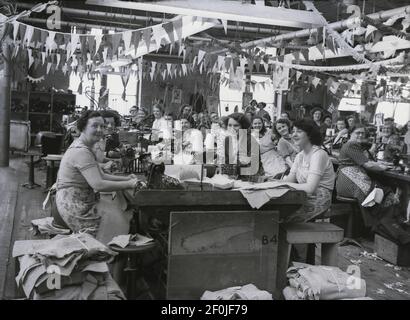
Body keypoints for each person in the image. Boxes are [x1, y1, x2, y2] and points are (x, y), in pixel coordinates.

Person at [55, 111, 140, 237]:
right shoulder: (81, 152)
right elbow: (98, 184)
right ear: (83, 127)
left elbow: (102, 175)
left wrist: (126, 179)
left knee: (120, 213)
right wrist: (129, 184)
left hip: (79, 202)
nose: (100, 130)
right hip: (77, 208)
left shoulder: (84, 146)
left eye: (102, 126)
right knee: (124, 220)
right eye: (95, 126)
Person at [335, 124, 398, 228]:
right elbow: (368, 165)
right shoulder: (351, 145)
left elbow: (366, 161)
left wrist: (381, 164)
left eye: (362, 133)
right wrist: (385, 168)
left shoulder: (350, 144)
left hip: (344, 181)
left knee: (379, 190)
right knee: (385, 193)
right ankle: (381, 227)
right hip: (349, 181)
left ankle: (377, 226)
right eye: (357, 133)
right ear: (350, 134)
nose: (360, 135)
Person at [283, 119, 335, 222]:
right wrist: (271, 183)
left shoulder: (318, 154)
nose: (294, 135)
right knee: (275, 212)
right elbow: (289, 180)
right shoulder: (300, 156)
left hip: (320, 199)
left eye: (299, 131)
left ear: (310, 134)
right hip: (304, 196)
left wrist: (284, 185)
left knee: (284, 219)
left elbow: (310, 188)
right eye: (293, 131)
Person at [222, 113, 262, 179]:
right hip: (233, 176)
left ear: (243, 126)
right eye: (229, 125)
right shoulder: (227, 140)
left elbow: (253, 165)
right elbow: (227, 161)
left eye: (236, 125)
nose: (232, 128)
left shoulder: (251, 141)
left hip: (251, 177)